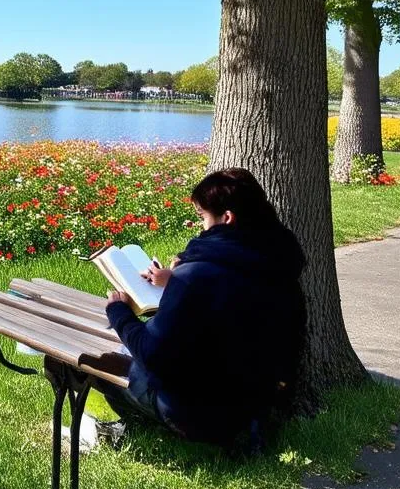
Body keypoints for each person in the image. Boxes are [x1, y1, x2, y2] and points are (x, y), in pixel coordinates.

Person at [93, 167, 306, 448]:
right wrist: (174, 282)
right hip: (259, 402)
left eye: (203, 217)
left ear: (226, 218)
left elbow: (152, 353)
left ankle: (132, 427)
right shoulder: (278, 262)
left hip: (200, 415)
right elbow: (231, 301)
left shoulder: (196, 275)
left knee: (102, 361)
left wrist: (119, 313)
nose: (201, 227)